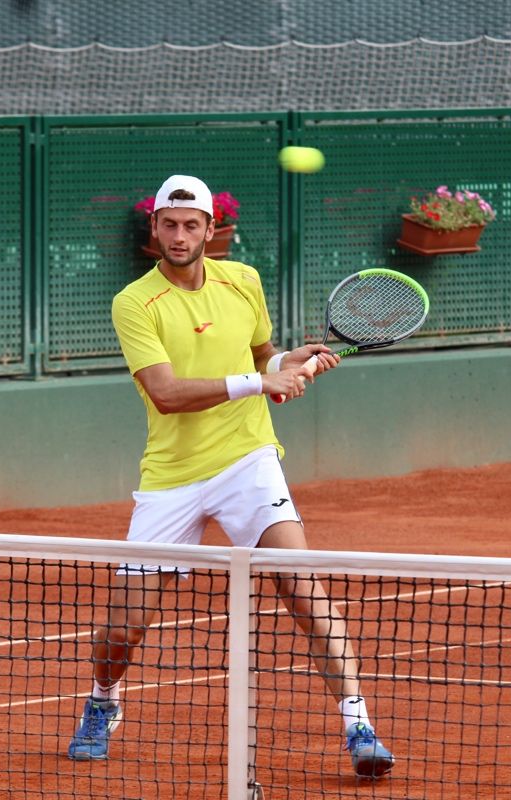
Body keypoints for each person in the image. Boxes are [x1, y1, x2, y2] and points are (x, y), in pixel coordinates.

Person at [66, 176, 394, 779]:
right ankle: (102, 701)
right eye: (170, 223)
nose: (181, 235)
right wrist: (259, 382)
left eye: (193, 225)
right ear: (155, 228)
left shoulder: (243, 280)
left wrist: (283, 363)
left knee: (301, 586)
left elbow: (261, 355)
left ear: (211, 230)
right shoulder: (134, 302)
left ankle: (358, 723)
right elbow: (165, 394)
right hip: (172, 475)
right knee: (126, 623)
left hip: (248, 459)